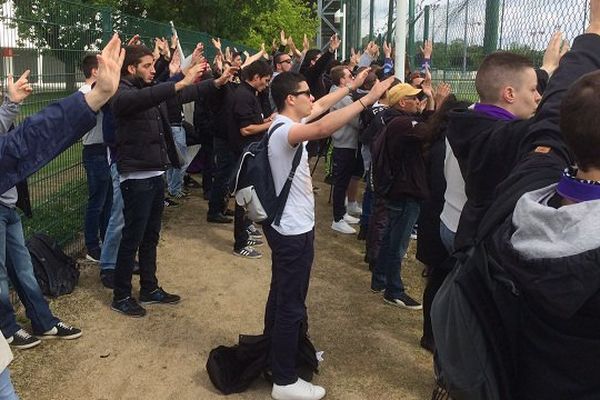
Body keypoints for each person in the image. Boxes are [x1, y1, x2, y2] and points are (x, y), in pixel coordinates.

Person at [264, 70, 393, 400]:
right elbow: (322, 125)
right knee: (290, 303)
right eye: (305, 93)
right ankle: (284, 379)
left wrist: (350, 87)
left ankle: (283, 355)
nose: (312, 96)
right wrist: (367, 99)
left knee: (282, 296)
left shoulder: (286, 121)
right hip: (292, 231)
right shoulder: (285, 130)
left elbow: (321, 106)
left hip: (293, 227)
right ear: (290, 99)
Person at [110, 45, 235, 317]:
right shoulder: (121, 94)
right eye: (147, 65)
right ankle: (121, 295)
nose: (153, 70)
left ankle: (149, 288)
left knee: (151, 236)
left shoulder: (149, 91)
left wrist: (215, 82)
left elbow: (183, 92)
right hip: (136, 177)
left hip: (155, 174)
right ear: (131, 68)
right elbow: (164, 91)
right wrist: (180, 81)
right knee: (132, 237)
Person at [445, 32, 567, 251]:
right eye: (533, 90)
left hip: (454, 222)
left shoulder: (469, 117)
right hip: (480, 237)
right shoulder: (502, 137)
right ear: (509, 94)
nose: (539, 96)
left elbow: (508, 81)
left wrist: (546, 69)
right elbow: (553, 118)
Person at [369, 83, 436, 310]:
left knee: (390, 237)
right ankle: (394, 290)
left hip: (398, 187)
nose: (419, 102)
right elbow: (431, 131)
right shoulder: (403, 123)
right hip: (406, 189)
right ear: (402, 102)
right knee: (398, 242)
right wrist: (440, 106)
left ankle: (380, 280)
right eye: (414, 98)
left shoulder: (395, 120)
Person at [229, 60, 273, 259]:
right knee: (243, 197)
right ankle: (240, 243)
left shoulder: (250, 94)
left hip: (249, 151)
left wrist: (267, 121)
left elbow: (253, 122)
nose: (266, 84)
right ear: (255, 77)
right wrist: (269, 125)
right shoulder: (243, 96)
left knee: (248, 195)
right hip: (242, 153)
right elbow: (246, 129)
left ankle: (245, 230)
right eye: (265, 80)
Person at [79, 54, 113, 263]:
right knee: (97, 202)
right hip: (94, 151)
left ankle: (106, 241)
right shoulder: (86, 93)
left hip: (105, 150)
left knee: (107, 200)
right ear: (94, 71)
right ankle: (92, 246)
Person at [328, 66, 363, 234]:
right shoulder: (342, 97)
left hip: (346, 142)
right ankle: (338, 219)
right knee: (341, 182)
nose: (352, 78)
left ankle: (342, 213)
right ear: (342, 80)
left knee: (344, 179)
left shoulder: (338, 93)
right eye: (349, 76)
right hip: (344, 143)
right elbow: (355, 120)